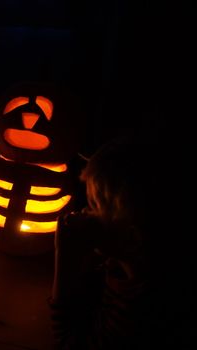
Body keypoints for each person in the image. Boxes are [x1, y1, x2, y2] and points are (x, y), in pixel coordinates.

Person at [48, 128, 194, 349]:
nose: (83, 212)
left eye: (93, 206)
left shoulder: (143, 312)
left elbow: (70, 341)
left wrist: (65, 258)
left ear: (132, 237)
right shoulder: (120, 263)